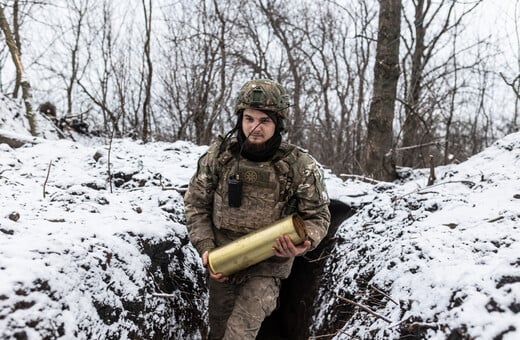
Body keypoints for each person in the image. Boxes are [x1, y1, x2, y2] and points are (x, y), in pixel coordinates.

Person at [184, 79, 330, 340]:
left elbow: (318, 215)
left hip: (268, 265)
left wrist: (303, 242)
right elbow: (196, 204)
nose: (255, 127)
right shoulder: (219, 157)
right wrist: (206, 249)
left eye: (264, 120)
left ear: (278, 124)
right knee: (218, 332)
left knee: (239, 334)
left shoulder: (299, 166)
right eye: (249, 118)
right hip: (224, 260)